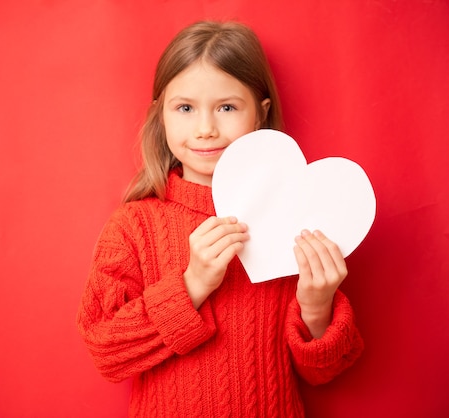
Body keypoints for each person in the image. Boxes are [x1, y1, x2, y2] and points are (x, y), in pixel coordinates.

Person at [77, 20, 364, 417]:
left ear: (260, 114)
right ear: (162, 115)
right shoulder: (133, 226)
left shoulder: (295, 218)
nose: (206, 129)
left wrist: (317, 307)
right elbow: (106, 350)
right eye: (186, 108)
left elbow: (325, 371)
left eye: (227, 107)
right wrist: (191, 285)